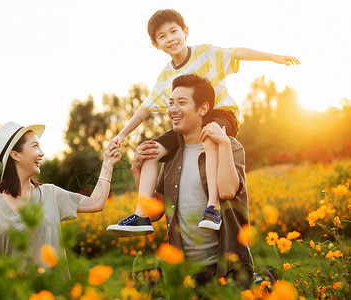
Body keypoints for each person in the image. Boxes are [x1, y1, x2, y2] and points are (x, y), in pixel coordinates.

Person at [107, 9, 299, 236]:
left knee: (210, 133)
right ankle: (141, 215)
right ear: (155, 44)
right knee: (149, 151)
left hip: (221, 114)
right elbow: (145, 109)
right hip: (188, 123)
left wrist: (272, 56)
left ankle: (212, 207)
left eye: (173, 31)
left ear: (185, 31)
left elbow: (237, 52)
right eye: (162, 36)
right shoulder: (165, 77)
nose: (170, 39)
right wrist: (122, 135)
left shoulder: (206, 53)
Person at [130, 74, 254, 289]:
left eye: (182, 102)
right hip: (188, 273)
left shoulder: (230, 146)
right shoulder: (172, 156)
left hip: (229, 268)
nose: (172, 109)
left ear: (203, 108)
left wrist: (223, 143)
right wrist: (136, 171)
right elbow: (155, 212)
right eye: (171, 103)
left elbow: (226, 191)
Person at [0, 121, 121, 285]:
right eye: (35, 147)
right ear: (15, 154)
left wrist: (108, 164)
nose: (41, 153)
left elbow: (96, 203)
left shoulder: (51, 194)